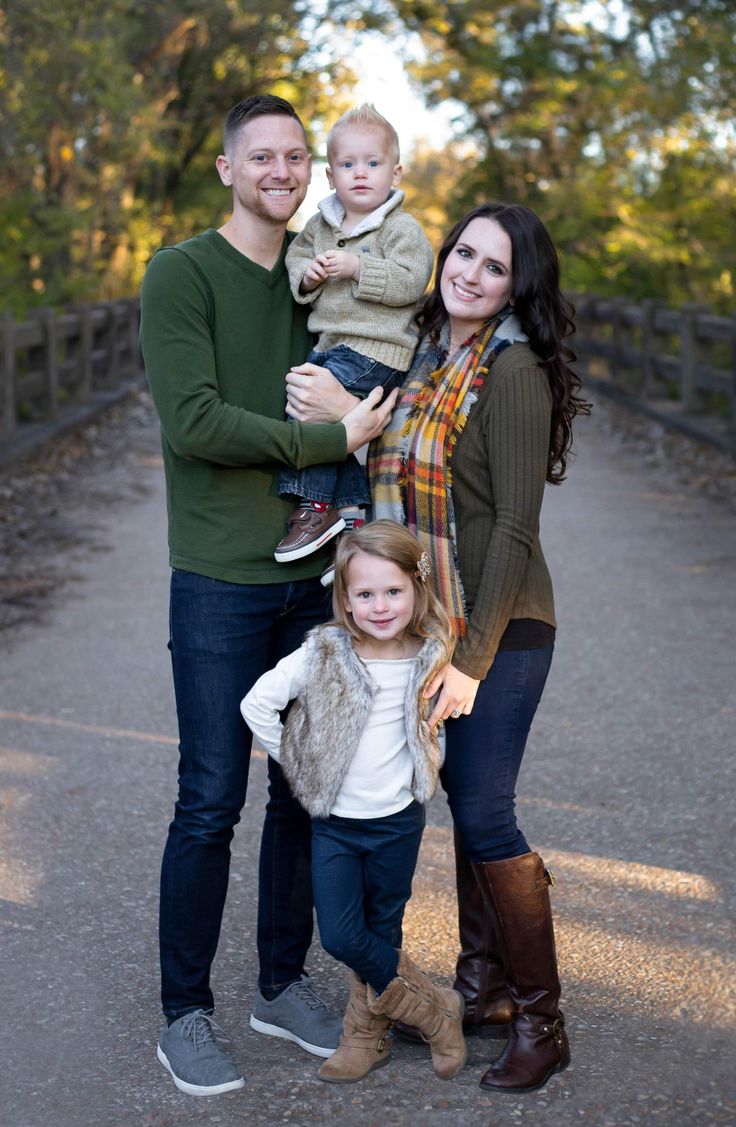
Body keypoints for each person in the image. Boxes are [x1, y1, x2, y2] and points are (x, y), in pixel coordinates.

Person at [288, 202, 589, 1093]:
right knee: (463, 795)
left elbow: (513, 531)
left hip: (499, 620)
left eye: (495, 267)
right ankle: (484, 984)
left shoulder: (515, 371)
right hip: (433, 622)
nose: (470, 273)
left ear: (516, 287)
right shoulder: (429, 356)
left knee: (488, 812)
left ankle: (543, 1016)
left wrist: (471, 655)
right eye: (464, 253)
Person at [139, 93, 399, 1098]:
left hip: (313, 575)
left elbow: (374, 353)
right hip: (217, 578)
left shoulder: (312, 275)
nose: (284, 170)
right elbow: (196, 421)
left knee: (302, 791)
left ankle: (281, 984)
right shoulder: (181, 274)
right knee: (209, 796)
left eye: (298, 156)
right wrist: (328, 440)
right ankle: (184, 1011)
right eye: (263, 156)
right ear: (225, 168)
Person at [240, 521, 466, 1084]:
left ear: (417, 590)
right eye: (364, 594)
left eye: (393, 591)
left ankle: (366, 1035)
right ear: (344, 598)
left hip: (398, 823)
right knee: (342, 934)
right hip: (337, 826)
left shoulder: (431, 658)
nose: (381, 605)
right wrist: (301, 761)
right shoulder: (324, 654)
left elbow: (439, 727)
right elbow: (256, 705)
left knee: (382, 929)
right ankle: (436, 1011)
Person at [273, 105, 434, 565]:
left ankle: (317, 507)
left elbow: (412, 280)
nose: (359, 174)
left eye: (372, 164)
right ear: (330, 175)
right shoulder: (319, 227)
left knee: (310, 410)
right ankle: (349, 513)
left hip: (377, 350)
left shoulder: (401, 229)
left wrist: (359, 267)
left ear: (395, 172)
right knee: (306, 398)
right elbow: (295, 262)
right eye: (348, 165)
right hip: (334, 347)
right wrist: (310, 277)